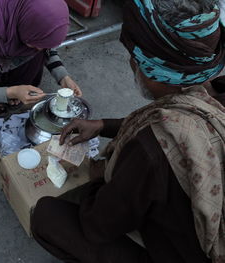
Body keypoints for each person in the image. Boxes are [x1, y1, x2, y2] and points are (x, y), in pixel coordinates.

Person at [31, 0, 225, 262]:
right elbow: (176, 124)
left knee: (46, 216)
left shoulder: (150, 150)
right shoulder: (214, 92)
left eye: (135, 58)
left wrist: (97, 177)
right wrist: (103, 126)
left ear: (154, 70)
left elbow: (98, 225)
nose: (132, 65)